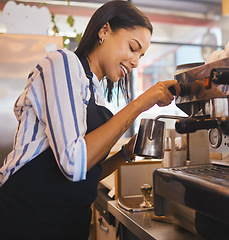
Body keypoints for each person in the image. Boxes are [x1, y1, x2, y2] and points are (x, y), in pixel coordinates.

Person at [0, 1, 180, 239]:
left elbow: (86, 173)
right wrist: (140, 104)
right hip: (28, 216)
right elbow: (73, 164)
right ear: (104, 31)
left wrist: (125, 154)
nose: (136, 61)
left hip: (70, 221)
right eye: (133, 47)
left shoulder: (95, 93)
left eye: (142, 55)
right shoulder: (62, 63)